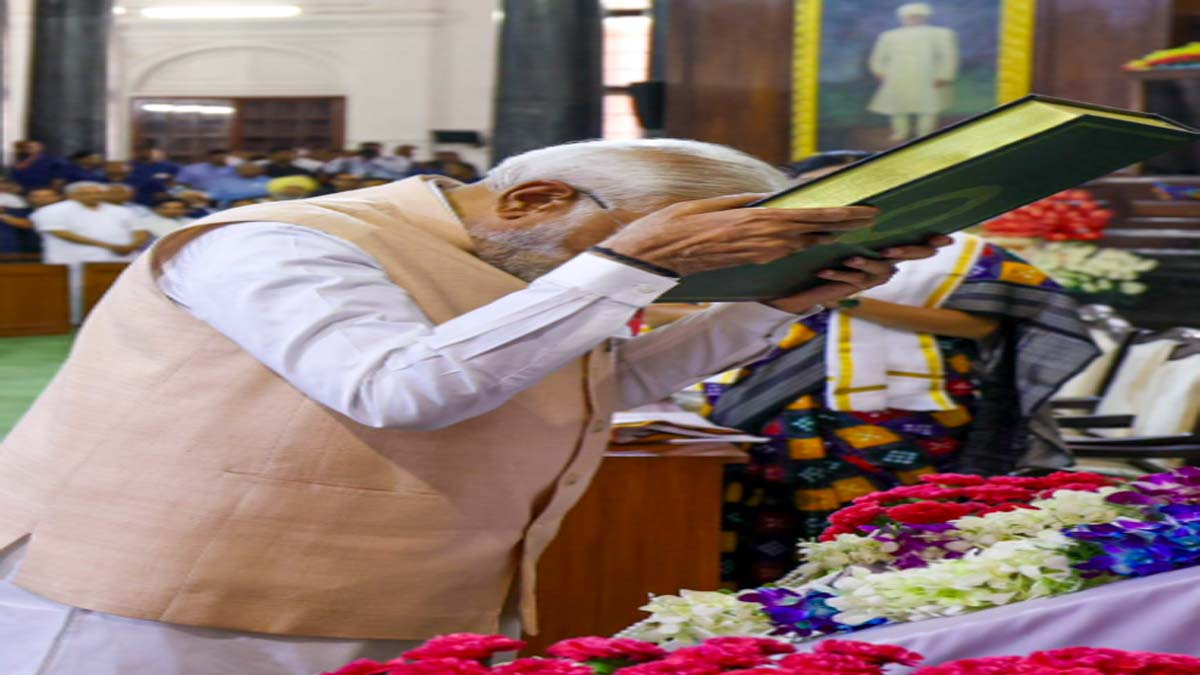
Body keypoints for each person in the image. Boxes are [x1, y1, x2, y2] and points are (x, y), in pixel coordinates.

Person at [0, 138, 945, 675]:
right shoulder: (278, 243)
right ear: (533, 198)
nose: (670, 276)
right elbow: (396, 390)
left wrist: (766, 302)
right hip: (163, 602)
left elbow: (589, 383)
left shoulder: (508, 263)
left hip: (396, 587)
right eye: (661, 247)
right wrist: (626, 269)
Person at [706, 154, 1098, 588]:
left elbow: (984, 324)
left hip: (914, 414)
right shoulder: (772, 253)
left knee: (905, 523)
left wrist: (846, 299)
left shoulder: (954, 252)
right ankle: (785, 607)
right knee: (778, 518)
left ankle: (905, 606)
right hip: (779, 402)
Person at [30, 181, 149, 323]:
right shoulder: (53, 210)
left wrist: (132, 245)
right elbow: (60, 232)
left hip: (119, 259)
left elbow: (141, 230)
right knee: (75, 293)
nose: (93, 196)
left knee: (122, 291)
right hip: (74, 260)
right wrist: (108, 245)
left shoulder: (122, 211)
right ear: (72, 195)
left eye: (97, 192)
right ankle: (76, 322)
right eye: (86, 193)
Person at [867, 2, 958, 142]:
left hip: (928, 76)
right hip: (897, 76)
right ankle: (901, 132)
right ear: (902, 17)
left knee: (928, 106)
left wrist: (943, 75)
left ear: (925, 17)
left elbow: (948, 56)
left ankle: (925, 134)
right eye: (909, 16)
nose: (912, 19)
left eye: (917, 16)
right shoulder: (889, 36)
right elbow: (878, 57)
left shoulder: (940, 33)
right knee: (897, 106)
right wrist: (879, 72)